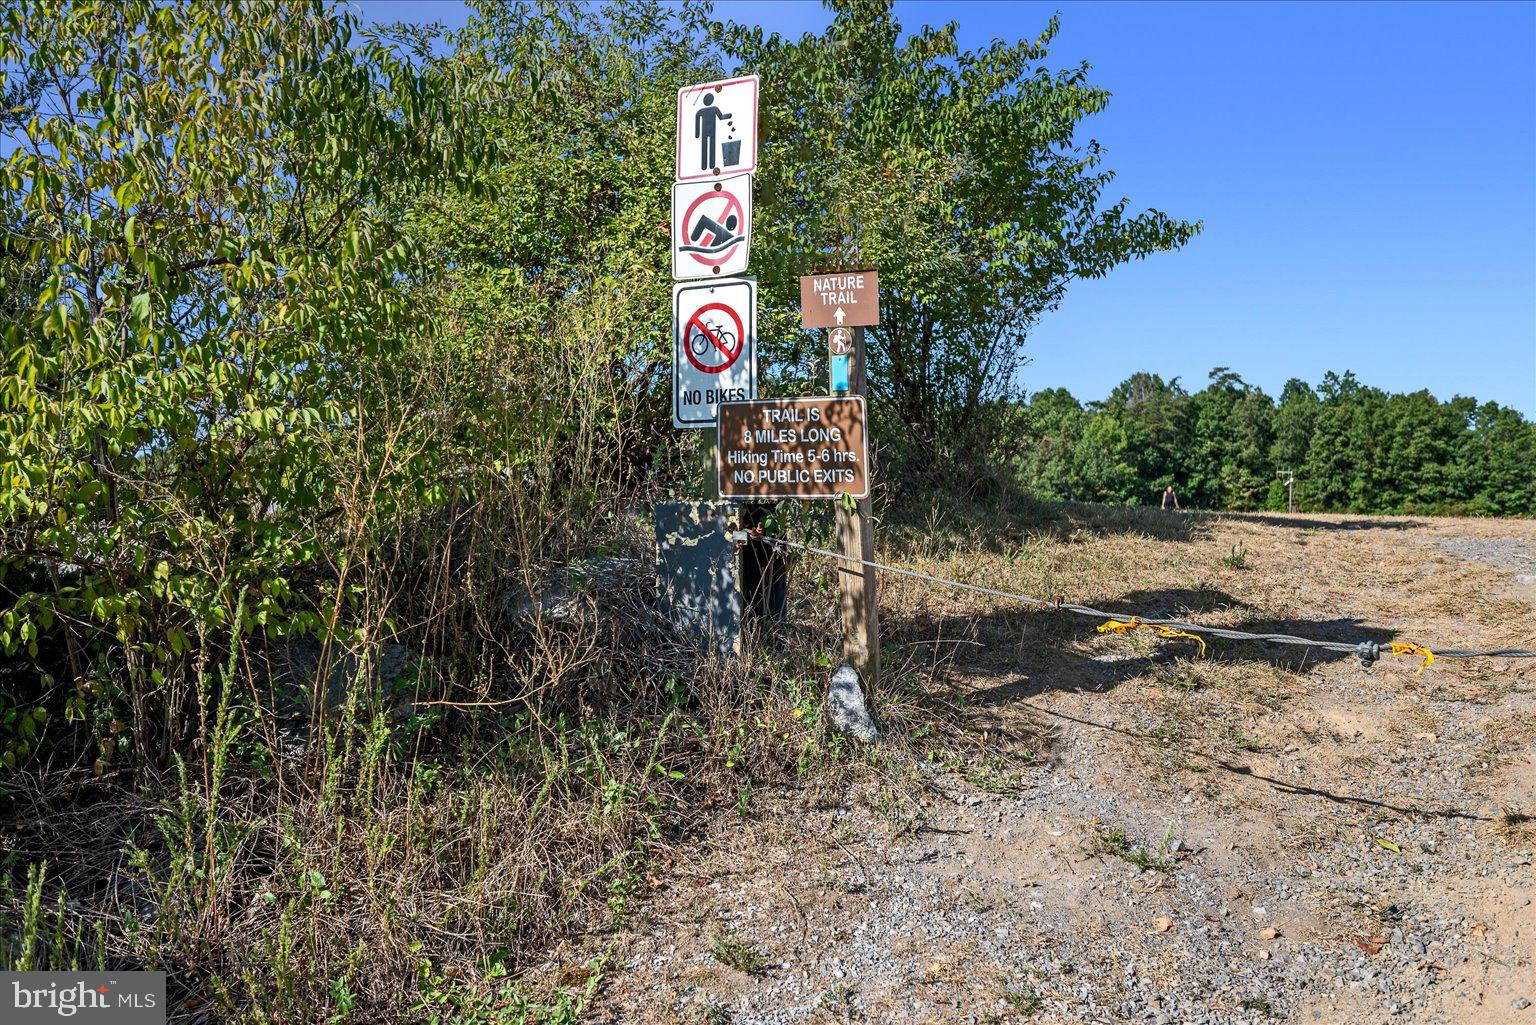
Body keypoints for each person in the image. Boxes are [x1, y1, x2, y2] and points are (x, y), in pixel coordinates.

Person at [695, 93, 732, 172]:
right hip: (711, 130)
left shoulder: (701, 111)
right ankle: (711, 165)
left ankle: (704, 166)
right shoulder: (714, 109)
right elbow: (721, 117)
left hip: (705, 131)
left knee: (705, 147)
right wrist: (729, 115)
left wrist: (697, 133)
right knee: (711, 146)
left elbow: (697, 119)